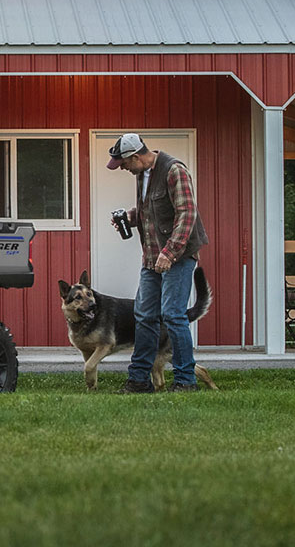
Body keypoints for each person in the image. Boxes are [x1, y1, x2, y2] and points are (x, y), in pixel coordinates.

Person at [106, 133, 209, 393]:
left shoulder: (175, 171)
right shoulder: (142, 175)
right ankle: (139, 380)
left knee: (173, 316)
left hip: (179, 256)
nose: (124, 169)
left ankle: (186, 380)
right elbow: (149, 212)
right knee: (144, 315)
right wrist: (129, 218)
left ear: (136, 157)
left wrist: (170, 252)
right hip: (152, 258)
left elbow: (187, 214)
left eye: (124, 164)